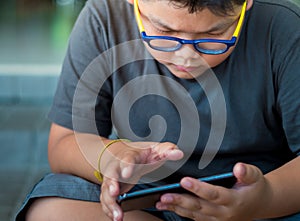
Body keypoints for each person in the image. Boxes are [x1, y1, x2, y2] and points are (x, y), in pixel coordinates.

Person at [15, 0, 300, 220]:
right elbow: (64, 142)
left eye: (214, 34)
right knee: (48, 211)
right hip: (147, 200)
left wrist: (266, 198)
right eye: (164, 31)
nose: (186, 56)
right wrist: (113, 158)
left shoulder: (283, 29)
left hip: (261, 203)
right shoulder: (104, 19)